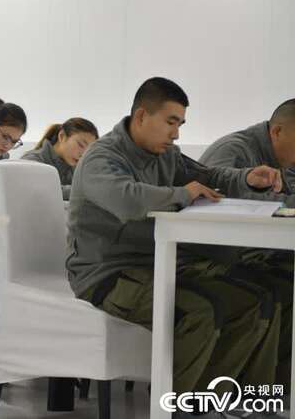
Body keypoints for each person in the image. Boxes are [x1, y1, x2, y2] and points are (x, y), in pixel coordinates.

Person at [65, 77, 284, 419]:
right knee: (200, 311)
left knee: (253, 300)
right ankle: (174, 410)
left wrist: (246, 178)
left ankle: (217, 405)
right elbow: (126, 198)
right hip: (107, 275)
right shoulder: (102, 157)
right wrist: (183, 194)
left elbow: (208, 176)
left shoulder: (168, 155)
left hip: (159, 265)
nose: (176, 134)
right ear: (141, 116)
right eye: (171, 122)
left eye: (180, 124)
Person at [199, 98, 295, 393]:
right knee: (274, 289)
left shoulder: (284, 159)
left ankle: (277, 390)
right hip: (215, 257)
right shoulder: (234, 150)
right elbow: (211, 204)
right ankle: (244, 392)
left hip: (256, 251)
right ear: (277, 132)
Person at [21, 118, 98, 199]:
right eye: (80, 145)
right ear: (62, 136)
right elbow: (45, 191)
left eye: (88, 150)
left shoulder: (76, 169)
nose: (83, 154)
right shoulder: (31, 161)